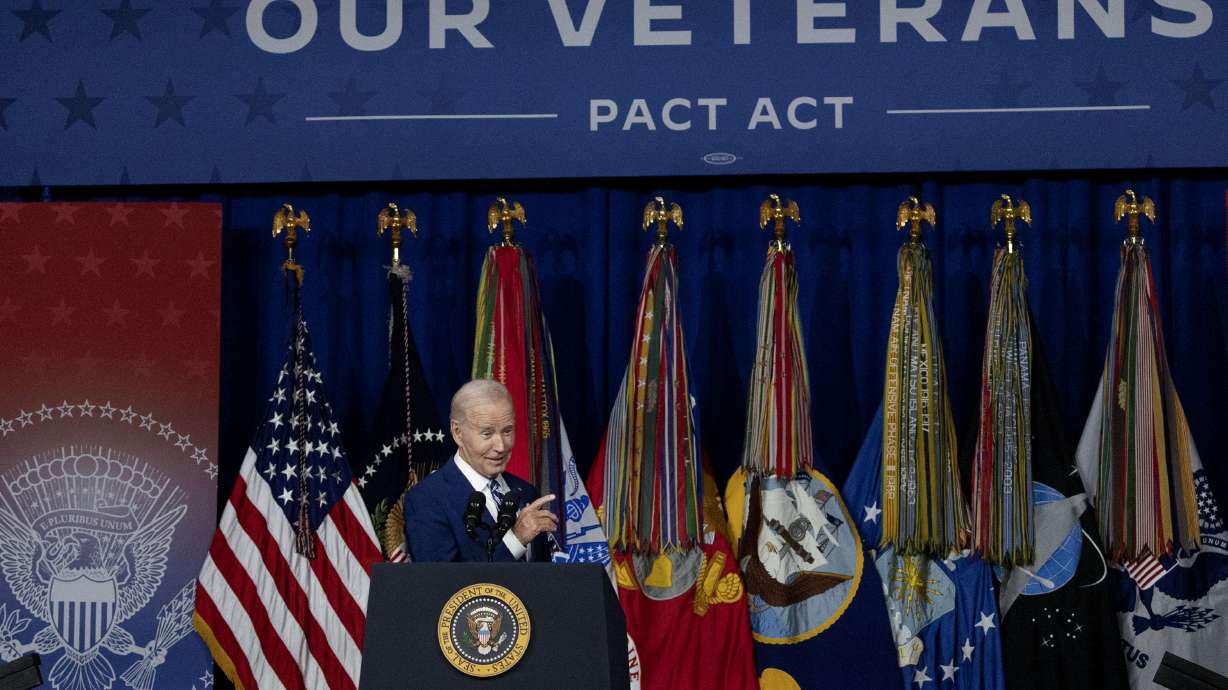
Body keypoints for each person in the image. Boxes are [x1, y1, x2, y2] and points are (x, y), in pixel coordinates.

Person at [403, 379, 558, 562]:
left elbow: (543, 580)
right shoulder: (427, 499)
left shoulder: (525, 492)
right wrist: (516, 539)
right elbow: (443, 586)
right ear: (457, 432)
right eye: (487, 434)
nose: (501, 446)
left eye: (507, 431)